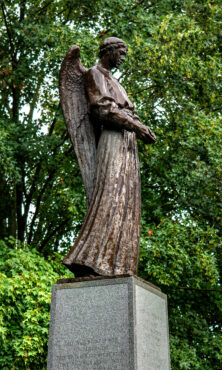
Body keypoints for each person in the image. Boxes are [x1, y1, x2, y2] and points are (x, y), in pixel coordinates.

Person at [63, 37, 156, 278]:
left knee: (126, 203)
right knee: (111, 197)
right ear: (109, 51)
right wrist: (137, 126)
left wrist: (138, 127)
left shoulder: (114, 80)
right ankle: (88, 259)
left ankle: (117, 265)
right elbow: (102, 108)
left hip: (127, 144)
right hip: (113, 140)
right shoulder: (94, 74)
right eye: (121, 52)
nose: (123, 57)